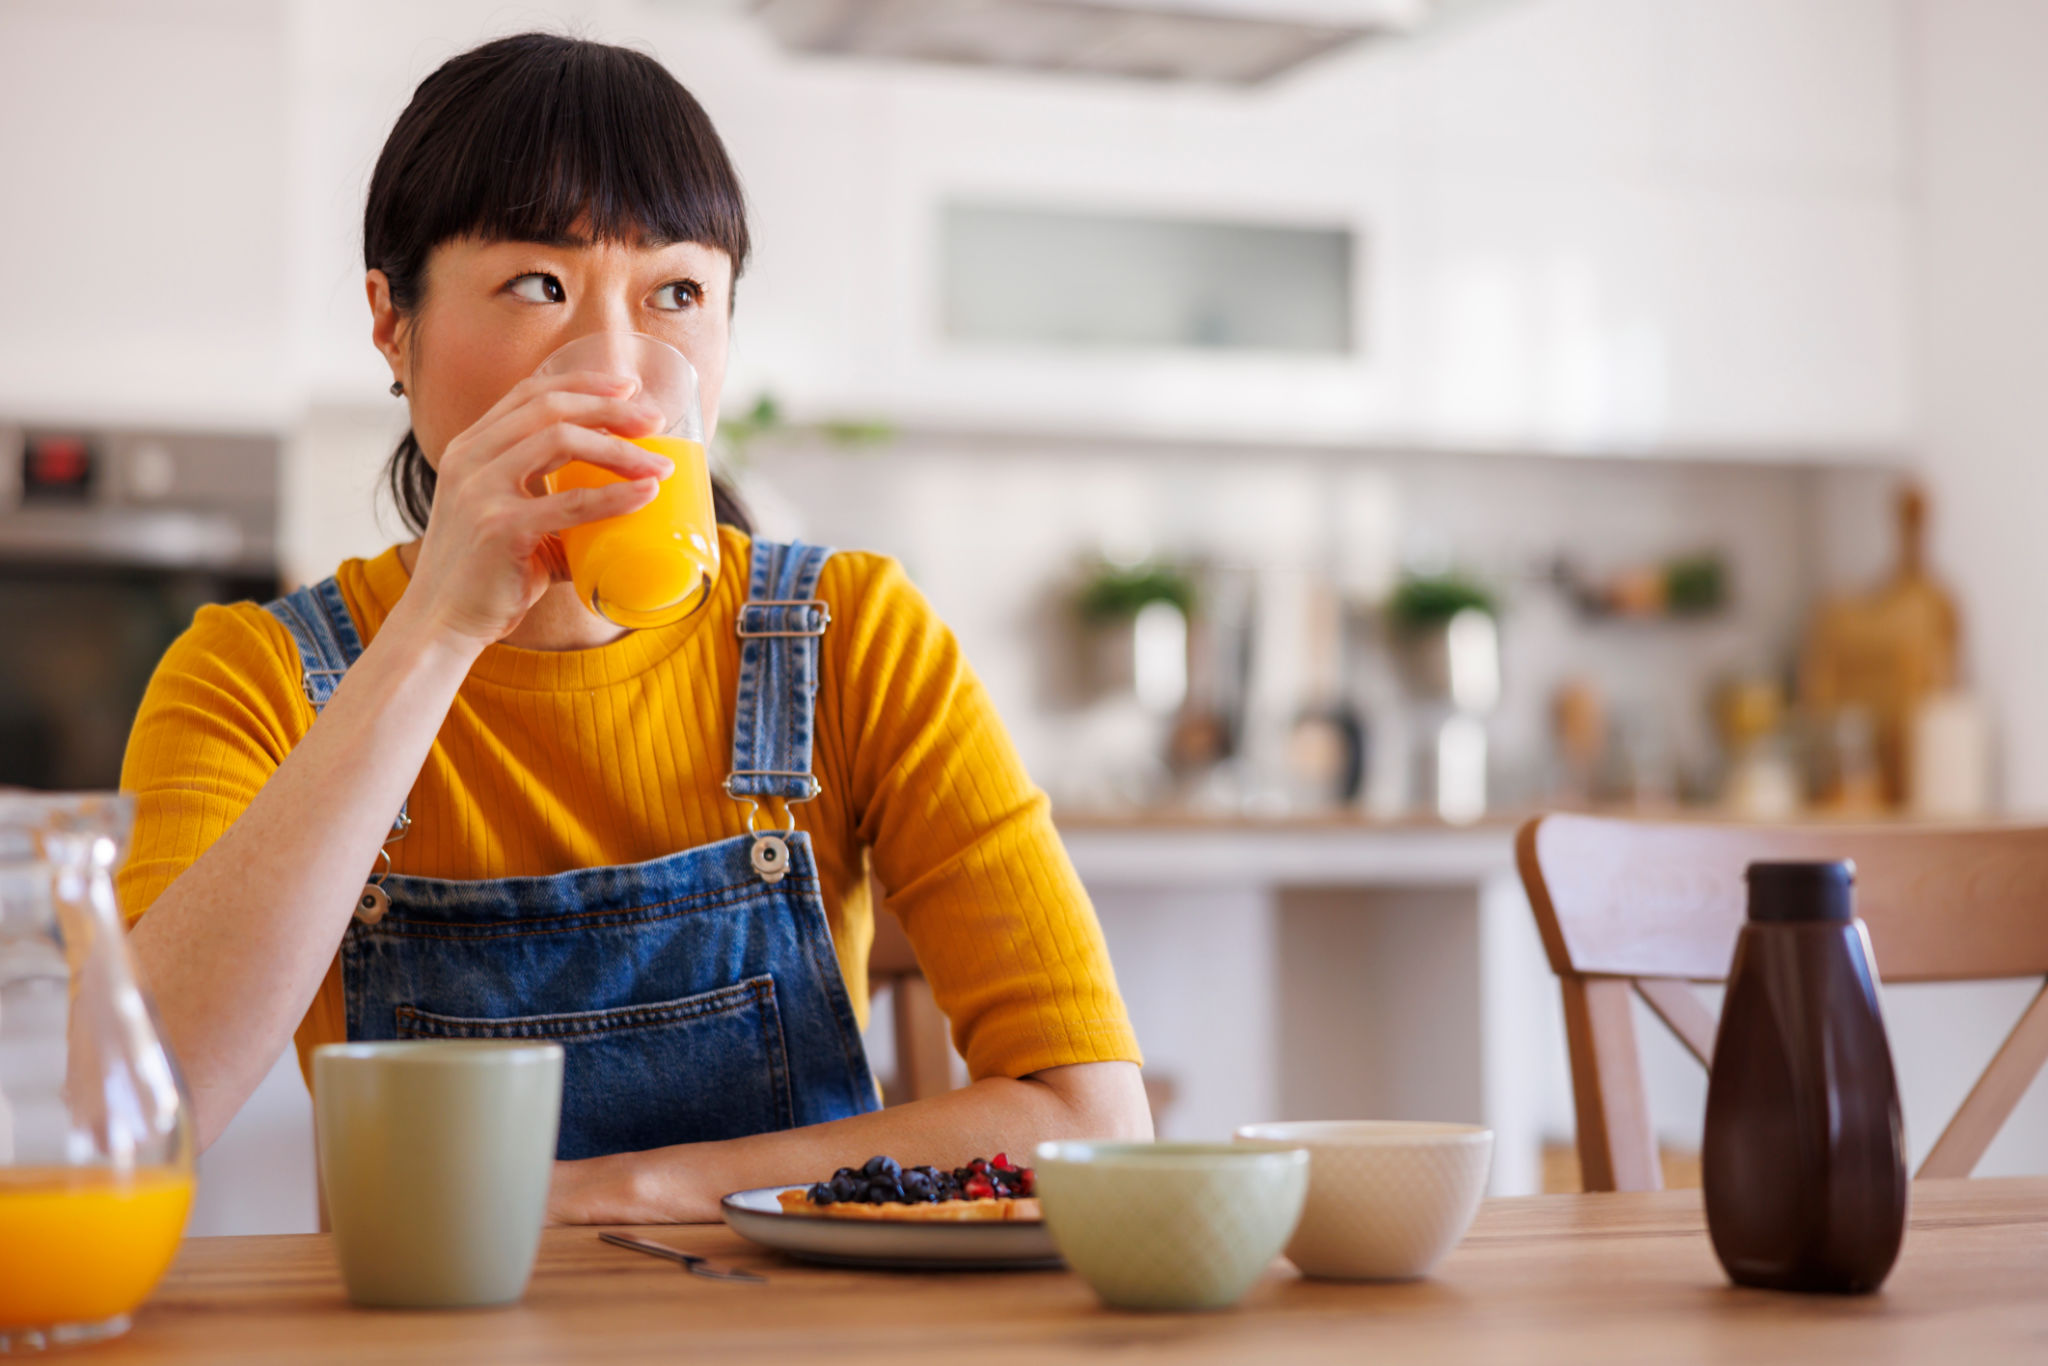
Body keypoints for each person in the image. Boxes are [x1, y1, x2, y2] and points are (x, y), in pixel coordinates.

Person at [118, 32, 1148, 1223]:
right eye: (537, 285)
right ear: (391, 325)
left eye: (675, 294)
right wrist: (437, 630)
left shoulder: (851, 635)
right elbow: (142, 1109)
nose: (613, 366)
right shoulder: (254, 678)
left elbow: (1089, 1122)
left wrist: (617, 1193)